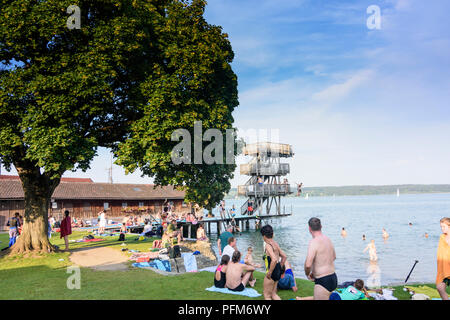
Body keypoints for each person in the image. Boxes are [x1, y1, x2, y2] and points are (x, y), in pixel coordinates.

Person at [297, 217, 337, 300]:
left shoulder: (314, 242)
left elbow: (308, 265)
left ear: (309, 228)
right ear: (321, 226)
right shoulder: (328, 239)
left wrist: (307, 274)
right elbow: (334, 257)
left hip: (323, 280)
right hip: (333, 277)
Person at [261, 224, 287, 300]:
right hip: (277, 270)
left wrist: (270, 272)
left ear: (264, 236)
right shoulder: (275, 243)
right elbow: (284, 256)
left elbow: (274, 259)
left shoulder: (268, 245)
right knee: (273, 294)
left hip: (272, 271)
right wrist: (280, 267)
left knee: (267, 295)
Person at [436, 217, 450, 300]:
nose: (442, 229)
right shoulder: (442, 237)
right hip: (444, 267)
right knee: (440, 288)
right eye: (441, 227)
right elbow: (440, 253)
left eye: (444, 227)